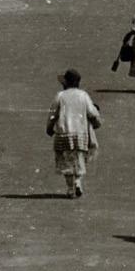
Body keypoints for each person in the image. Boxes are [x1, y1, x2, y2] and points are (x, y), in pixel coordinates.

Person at [47, 69, 101, 199]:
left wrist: (49, 127)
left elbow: (53, 114)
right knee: (79, 159)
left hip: (64, 133)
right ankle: (77, 182)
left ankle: (70, 188)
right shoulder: (83, 95)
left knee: (66, 162)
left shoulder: (60, 96)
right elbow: (92, 113)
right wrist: (96, 122)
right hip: (81, 134)